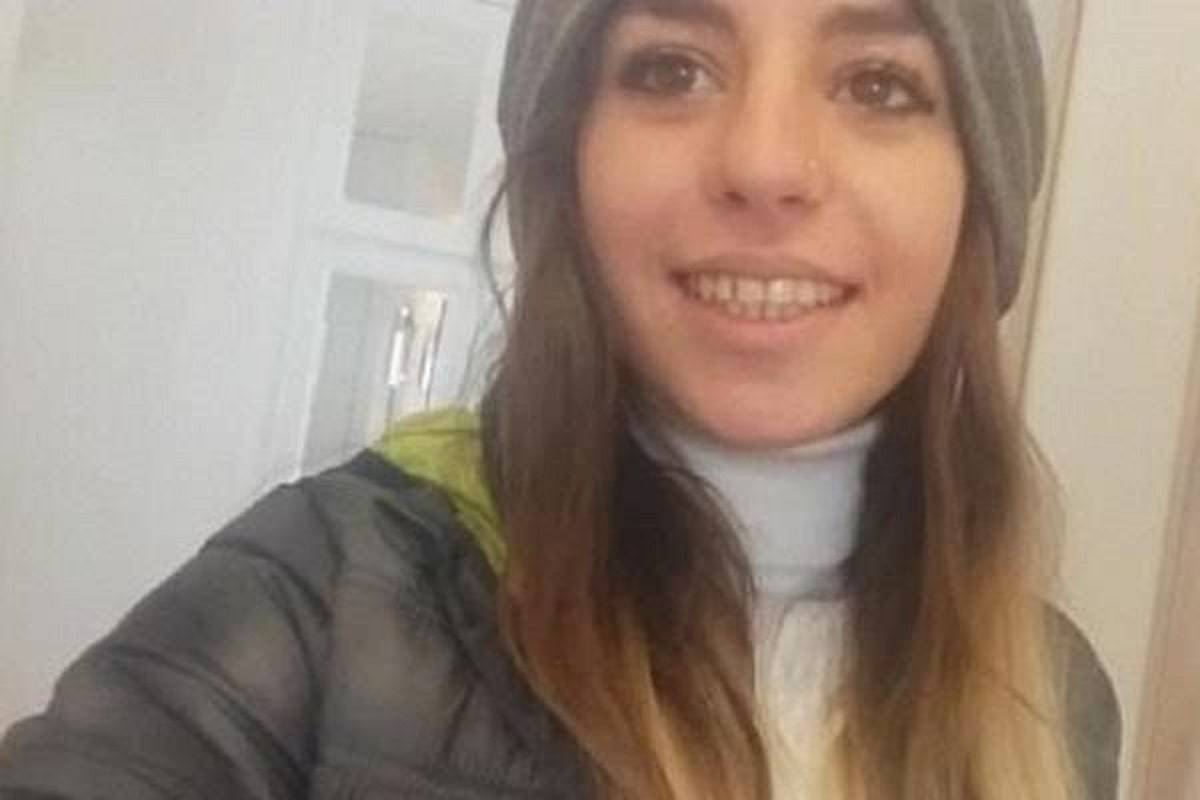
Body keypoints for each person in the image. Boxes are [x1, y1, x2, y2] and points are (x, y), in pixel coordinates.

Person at [0, 0, 1121, 798]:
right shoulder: (319, 600)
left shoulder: (1058, 699)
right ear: (565, 167)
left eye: (879, 83)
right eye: (671, 68)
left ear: (976, 207)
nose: (766, 163)